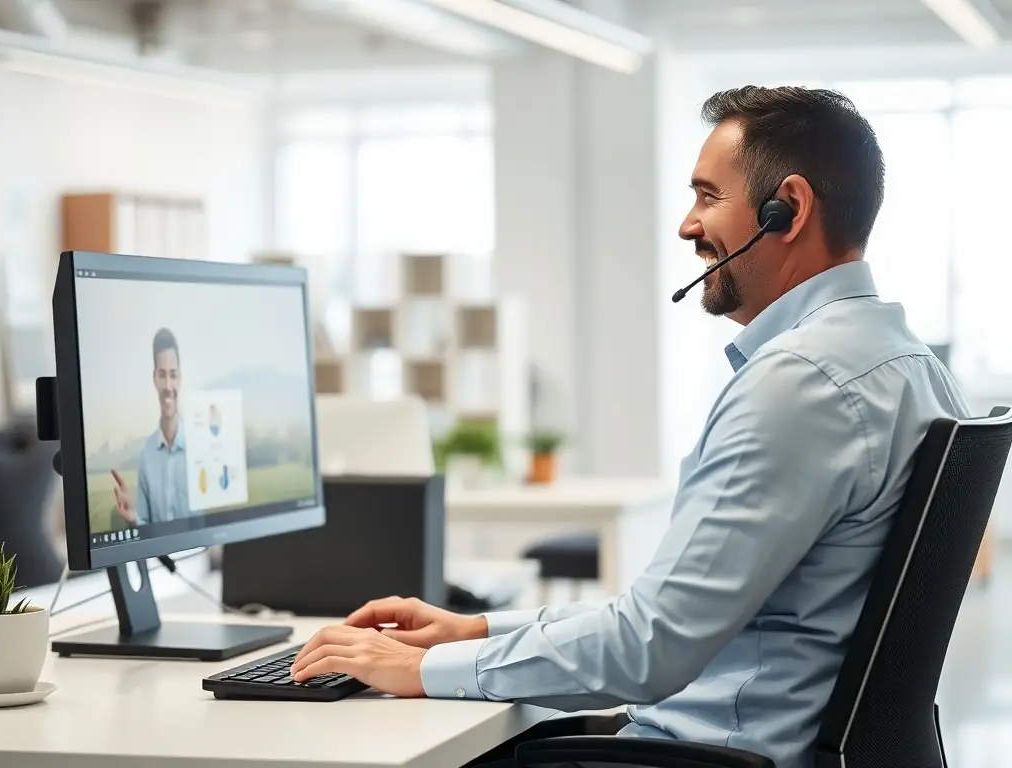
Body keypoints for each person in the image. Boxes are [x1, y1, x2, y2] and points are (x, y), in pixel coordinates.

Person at [288, 86, 972, 768]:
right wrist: (474, 630)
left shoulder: (799, 384)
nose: (686, 225)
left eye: (707, 197)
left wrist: (424, 671)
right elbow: (668, 615)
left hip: (711, 755)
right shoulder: (908, 365)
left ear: (785, 209)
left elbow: (650, 648)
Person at [112, 327, 190, 525]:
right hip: (162, 557)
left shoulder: (200, 447)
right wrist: (133, 518)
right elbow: (146, 528)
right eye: (162, 375)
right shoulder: (147, 455)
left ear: (180, 378)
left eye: (173, 375)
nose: (168, 386)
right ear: (154, 378)